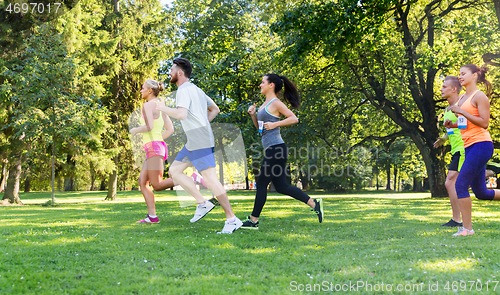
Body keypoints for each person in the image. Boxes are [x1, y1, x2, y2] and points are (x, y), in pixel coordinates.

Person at [156, 57, 242, 234]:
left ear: (180, 72)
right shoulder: (197, 90)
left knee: (210, 179)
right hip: (194, 141)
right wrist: (203, 124)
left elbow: (181, 114)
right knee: (174, 171)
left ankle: (232, 219)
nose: (170, 73)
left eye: (172, 69)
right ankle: (202, 203)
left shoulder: (184, 90)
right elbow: (215, 109)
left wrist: (162, 108)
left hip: (200, 140)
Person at [241, 73, 324, 230]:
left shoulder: (276, 103)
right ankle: (314, 203)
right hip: (273, 149)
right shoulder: (262, 106)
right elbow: (260, 130)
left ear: (271, 85)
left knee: (261, 183)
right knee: (281, 187)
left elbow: (294, 118)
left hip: (276, 149)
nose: (260, 85)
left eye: (263, 82)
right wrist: (253, 115)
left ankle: (253, 221)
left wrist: (275, 125)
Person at [444, 64, 500, 236]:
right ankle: (467, 228)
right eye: (459, 74)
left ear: (475, 75)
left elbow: (484, 123)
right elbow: (464, 123)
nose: (460, 76)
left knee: (460, 184)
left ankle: (467, 229)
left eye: (463, 74)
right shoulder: (461, 98)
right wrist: (452, 124)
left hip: (481, 145)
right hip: (469, 146)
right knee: (481, 192)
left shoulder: (479, 96)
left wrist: (460, 111)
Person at [130, 79, 175, 223]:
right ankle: (152, 217)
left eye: (143, 88)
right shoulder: (160, 106)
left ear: (150, 90)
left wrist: (136, 130)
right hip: (155, 146)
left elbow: (149, 126)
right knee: (143, 182)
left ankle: (190, 179)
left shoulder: (148, 105)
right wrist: (157, 140)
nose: (141, 91)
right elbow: (170, 129)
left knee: (157, 185)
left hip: (154, 148)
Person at [433, 76, 465, 227]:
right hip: (456, 149)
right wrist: (444, 139)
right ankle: (490, 169)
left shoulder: (461, 105)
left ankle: (457, 220)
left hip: (464, 148)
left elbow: (466, 124)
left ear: (454, 89)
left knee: (450, 182)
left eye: (444, 87)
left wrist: (454, 125)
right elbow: (451, 130)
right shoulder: (447, 110)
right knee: (479, 189)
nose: (441, 89)